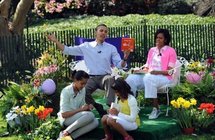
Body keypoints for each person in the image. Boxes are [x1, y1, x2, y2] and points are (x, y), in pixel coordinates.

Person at [48, 23, 130, 117]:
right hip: (90, 77)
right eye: (101, 30)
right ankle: (97, 106)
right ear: (96, 32)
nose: (103, 33)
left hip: (105, 77)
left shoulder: (111, 48)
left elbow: (120, 65)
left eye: (105, 31)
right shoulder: (86, 46)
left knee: (110, 79)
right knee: (82, 88)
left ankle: (110, 108)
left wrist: (125, 58)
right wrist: (56, 41)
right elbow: (67, 50)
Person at [126, 28, 177, 119]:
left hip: (165, 78)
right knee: (131, 78)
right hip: (149, 75)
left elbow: (170, 71)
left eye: (160, 38)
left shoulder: (171, 51)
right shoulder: (152, 50)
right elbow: (148, 65)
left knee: (149, 78)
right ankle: (133, 106)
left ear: (165, 39)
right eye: (156, 37)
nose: (157, 39)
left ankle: (156, 108)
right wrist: (140, 70)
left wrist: (155, 72)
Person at [57, 70, 99, 139]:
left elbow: (82, 107)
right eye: (82, 83)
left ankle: (70, 137)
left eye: (85, 84)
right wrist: (81, 109)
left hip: (76, 117)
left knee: (95, 122)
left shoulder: (83, 90)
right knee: (90, 115)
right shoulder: (66, 91)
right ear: (75, 80)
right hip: (66, 119)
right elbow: (64, 115)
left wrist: (87, 107)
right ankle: (66, 132)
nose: (83, 86)